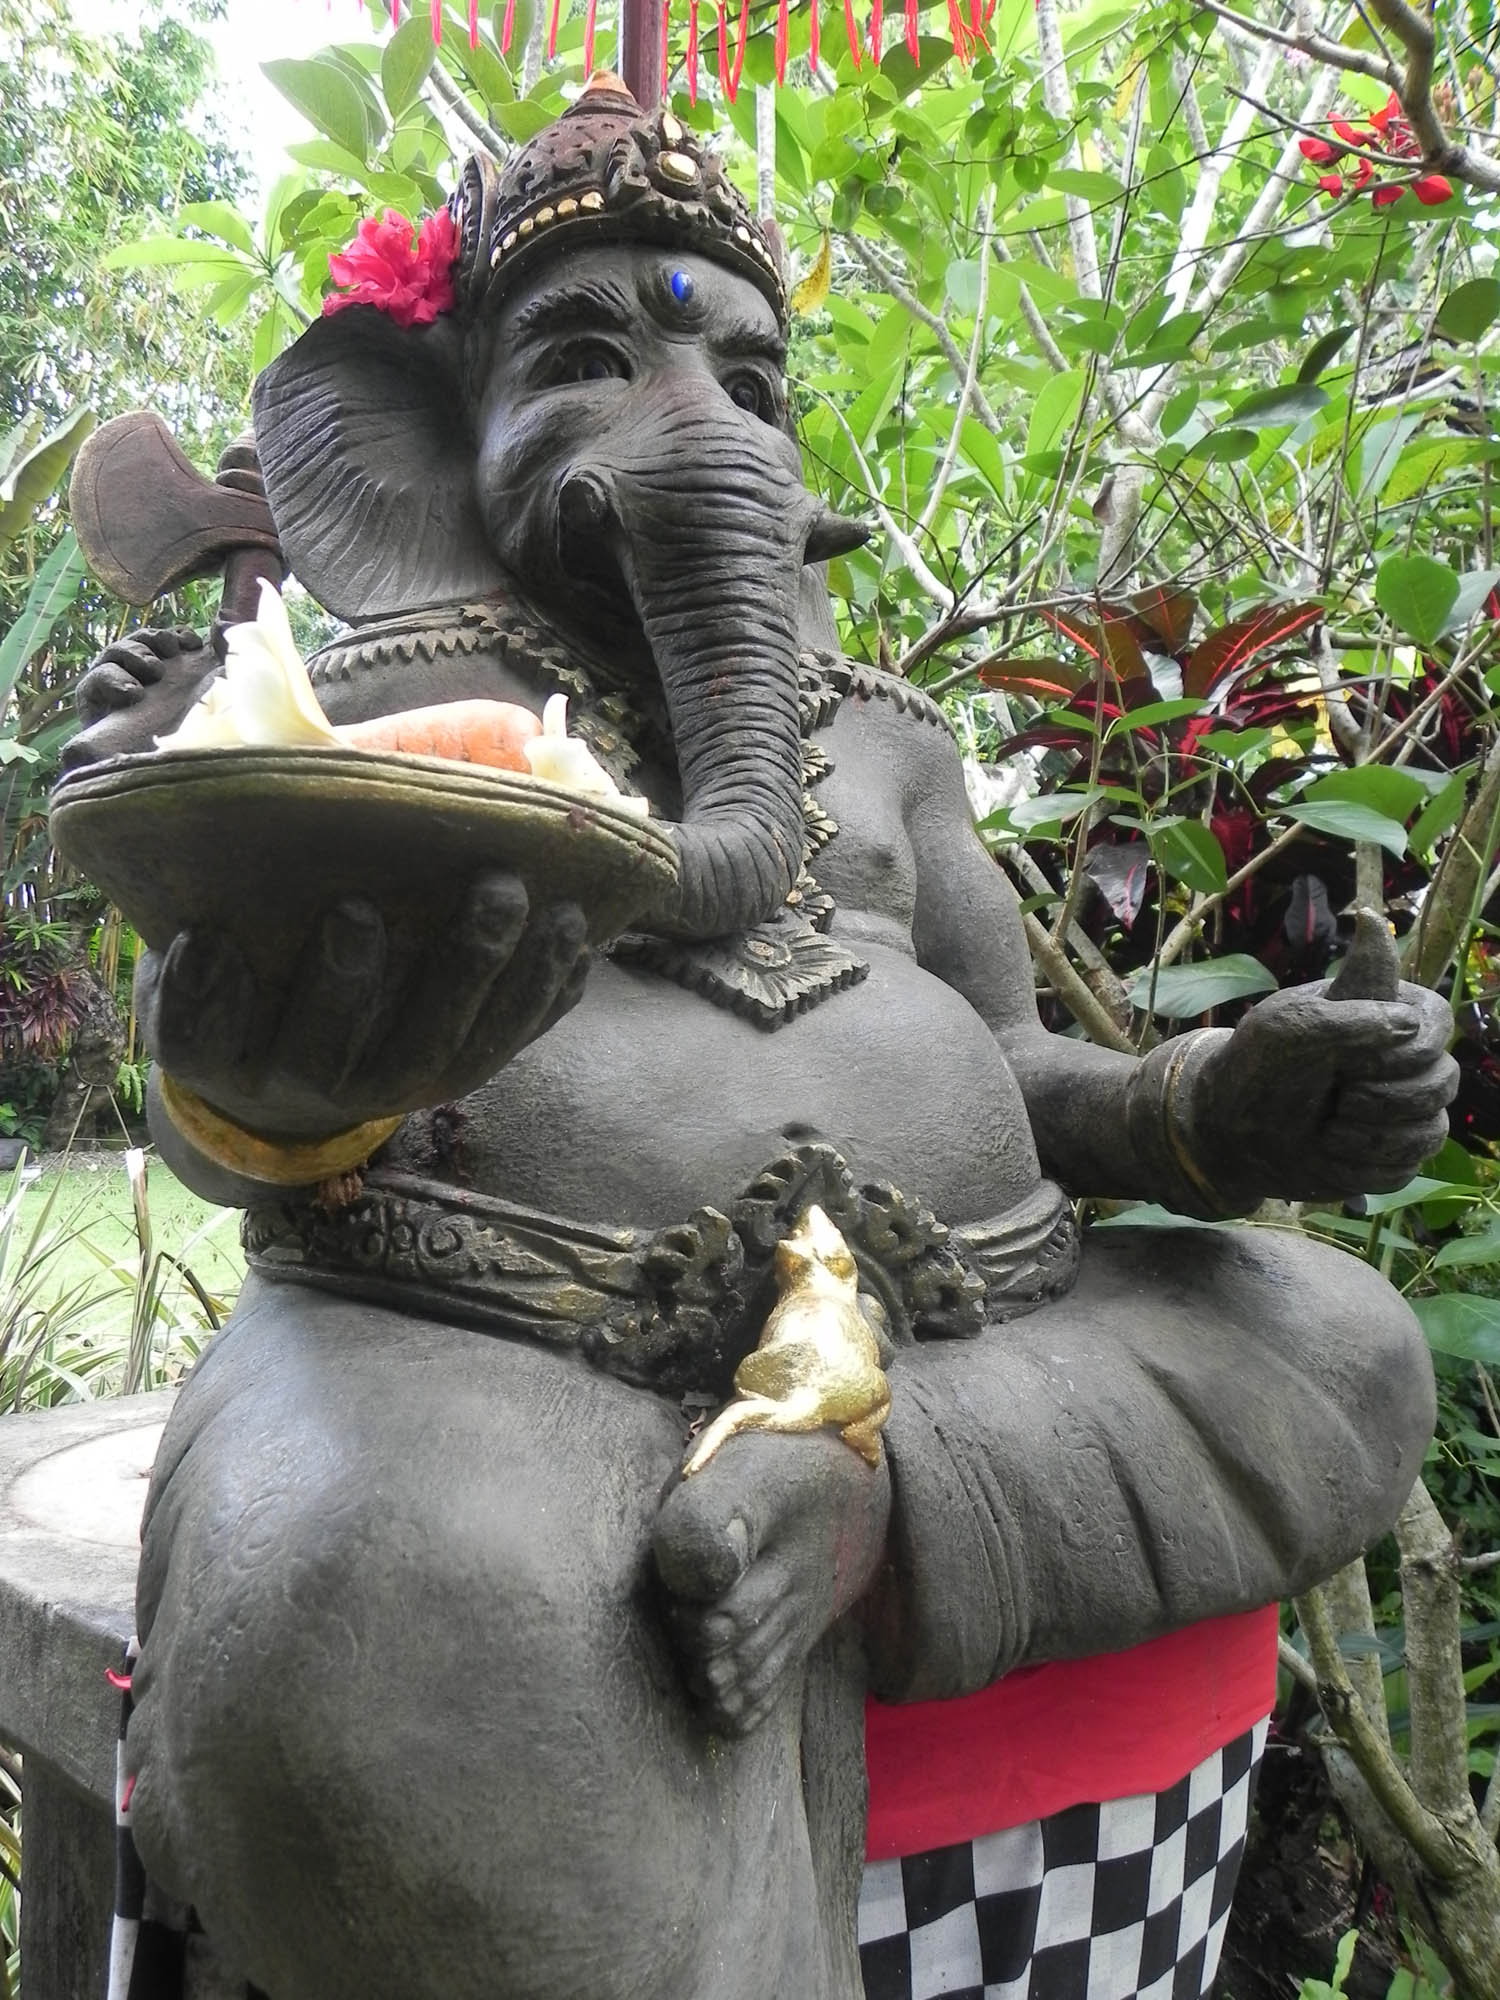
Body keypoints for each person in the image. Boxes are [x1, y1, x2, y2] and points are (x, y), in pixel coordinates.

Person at [64, 75, 1451, 2000]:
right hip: (498, 1339)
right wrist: (273, 1100)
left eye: (750, 382)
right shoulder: (360, 696)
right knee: (360, 1582)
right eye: (586, 361)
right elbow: (219, 1033)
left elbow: (1012, 1059)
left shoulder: (882, 742)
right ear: (430, 443)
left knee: (1339, 1339)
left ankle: (875, 1501)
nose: (695, 419)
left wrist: (1206, 1102)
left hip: (975, 1343)